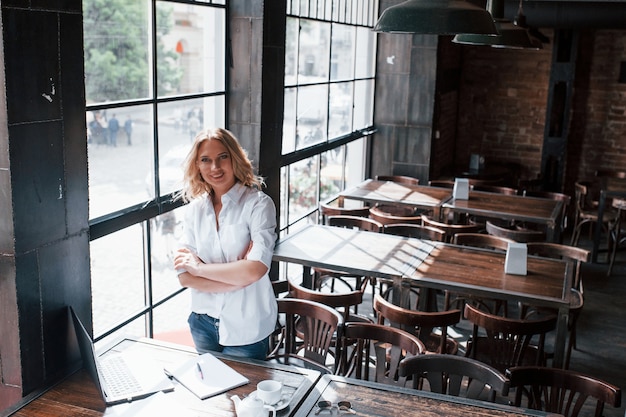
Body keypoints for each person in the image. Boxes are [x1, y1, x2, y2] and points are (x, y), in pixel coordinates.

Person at [173, 128, 277, 360]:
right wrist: (236, 279)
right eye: (205, 160)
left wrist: (200, 268)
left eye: (223, 157)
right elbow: (184, 276)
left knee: (245, 396)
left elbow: (255, 269)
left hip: (246, 325)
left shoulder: (259, 205)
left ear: (235, 158)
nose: (215, 168)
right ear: (197, 166)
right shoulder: (194, 211)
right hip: (202, 321)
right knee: (211, 393)